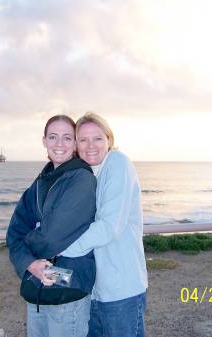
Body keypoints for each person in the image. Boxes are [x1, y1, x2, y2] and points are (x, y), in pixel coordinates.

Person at [6, 115, 97, 337]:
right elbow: (13, 233)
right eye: (53, 137)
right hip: (36, 288)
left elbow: (50, 238)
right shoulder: (40, 182)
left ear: (75, 143)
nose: (59, 144)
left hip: (68, 290)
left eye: (67, 138)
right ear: (44, 141)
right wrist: (31, 264)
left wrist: (27, 245)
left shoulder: (82, 179)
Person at [62, 112, 148, 337]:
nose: (91, 145)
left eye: (98, 138)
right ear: (76, 146)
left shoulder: (118, 163)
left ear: (109, 140)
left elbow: (109, 227)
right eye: (83, 139)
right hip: (94, 291)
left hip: (121, 291)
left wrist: (58, 250)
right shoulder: (85, 175)